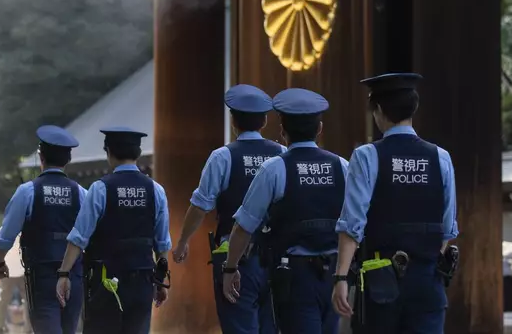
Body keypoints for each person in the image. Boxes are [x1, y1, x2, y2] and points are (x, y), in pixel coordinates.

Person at [331, 72, 458, 334]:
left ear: (377, 111)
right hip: (428, 284)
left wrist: (341, 277)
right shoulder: (440, 157)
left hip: (380, 284)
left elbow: (352, 224)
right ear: (413, 109)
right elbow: (447, 229)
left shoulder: (366, 156)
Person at [222, 88, 349, 334]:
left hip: (294, 276)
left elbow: (244, 226)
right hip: (335, 273)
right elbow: (355, 222)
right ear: (319, 129)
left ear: (283, 129)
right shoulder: (342, 166)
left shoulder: (275, 169)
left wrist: (230, 268)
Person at [173, 84, 284, 334]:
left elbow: (200, 205)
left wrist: (182, 242)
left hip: (236, 260)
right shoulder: (281, 154)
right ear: (265, 120)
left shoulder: (223, 156)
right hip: (276, 258)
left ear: (233, 120)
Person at [55, 127, 172, 334]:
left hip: (105, 281)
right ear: (137, 153)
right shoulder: (156, 190)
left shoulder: (100, 189)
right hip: (143, 279)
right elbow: (162, 242)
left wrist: (64, 273)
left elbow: (79, 237)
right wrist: (161, 281)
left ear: (109, 152)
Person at [0, 125, 86, 334]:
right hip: (74, 276)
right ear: (68, 160)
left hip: (42, 278)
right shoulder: (81, 193)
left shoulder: (27, 192)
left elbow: (6, 236)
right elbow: (92, 232)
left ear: (40, 156)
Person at [0, 228, 32, 334]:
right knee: (28, 300)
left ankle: (0, 327)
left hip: (9, 271)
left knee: (3, 300)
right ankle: (28, 328)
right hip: (18, 271)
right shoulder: (25, 230)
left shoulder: (5, 228)